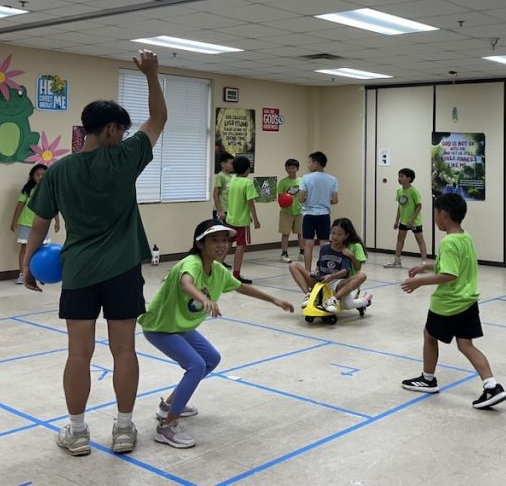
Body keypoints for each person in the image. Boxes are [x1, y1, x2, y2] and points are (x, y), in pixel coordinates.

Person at [23, 50, 166, 456]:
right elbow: (158, 118)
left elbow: (39, 224)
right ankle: (123, 429)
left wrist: (27, 265)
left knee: (78, 354)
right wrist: (151, 74)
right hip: (122, 271)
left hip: (79, 272)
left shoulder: (58, 170)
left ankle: (76, 431)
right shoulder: (124, 158)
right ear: (109, 129)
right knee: (124, 350)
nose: (122, 136)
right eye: (121, 130)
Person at [139, 220, 294, 448]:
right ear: (200, 244)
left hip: (180, 327)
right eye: (214, 240)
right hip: (160, 328)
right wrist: (204, 299)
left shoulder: (219, 270)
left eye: (224, 240)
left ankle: (168, 406)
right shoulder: (191, 263)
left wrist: (274, 299)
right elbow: (186, 283)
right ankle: (166, 427)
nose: (222, 245)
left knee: (211, 359)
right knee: (196, 366)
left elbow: (241, 287)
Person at [400, 193, 506, 409]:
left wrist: (419, 282)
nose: (434, 218)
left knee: (429, 335)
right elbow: (453, 264)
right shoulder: (465, 237)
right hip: (468, 300)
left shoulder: (448, 242)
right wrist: (426, 266)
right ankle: (492, 386)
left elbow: (449, 274)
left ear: (444, 214)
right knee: (466, 345)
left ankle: (427, 379)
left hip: (448, 303)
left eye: (435, 213)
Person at [291, 217, 371, 312]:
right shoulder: (326, 247)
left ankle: (361, 300)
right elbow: (320, 265)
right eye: (333, 233)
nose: (335, 237)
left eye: (339, 234)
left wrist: (351, 255)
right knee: (293, 265)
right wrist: (316, 274)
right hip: (323, 280)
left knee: (346, 303)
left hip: (346, 283)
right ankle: (308, 295)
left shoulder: (351, 248)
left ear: (346, 235)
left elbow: (357, 268)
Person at [10, 164, 60, 284]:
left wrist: (57, 221)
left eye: (43, 174)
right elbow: (20, 205)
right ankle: (22, 274)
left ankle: (40, 274)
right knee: (25, 248)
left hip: (42, 224)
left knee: (41, 249)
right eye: (37, 174)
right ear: (32, 176)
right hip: (26, 224)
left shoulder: (50, 189)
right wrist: (14, 220)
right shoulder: (27, 190)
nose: (40, 177)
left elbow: (53, 206)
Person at [298, 151, 338, 273]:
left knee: (308, 244)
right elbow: (335, 200)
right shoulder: (332, 179)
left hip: (309, 215)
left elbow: (300, 198)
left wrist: (308, 199)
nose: (308, 165)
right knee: (324, 244)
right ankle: (322, 270)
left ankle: (307, 272)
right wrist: (324, 200)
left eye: (309, 162)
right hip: (324, 215)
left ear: (316, 163)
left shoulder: (306, 178)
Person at [385, 167, 427, 268]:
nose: (399, 178)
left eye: (402, 176)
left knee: (420, 240)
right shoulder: (399, 191)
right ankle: (397, 260)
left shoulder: (413, 191)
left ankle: (424, 263)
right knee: (400, 239)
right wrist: (396, 220)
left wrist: (412, 219)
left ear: (409, 178)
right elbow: (399, 207)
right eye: (399, 176)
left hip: (415, 222)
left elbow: (419, 206)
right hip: (403, 221)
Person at [226, 156, 260, 284]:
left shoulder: (233, 179)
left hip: (230, 219)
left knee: (227, 245)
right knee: (240, 246)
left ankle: (214, 270)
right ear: (247, 169)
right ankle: (236, 274)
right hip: (241, 222)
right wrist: (256, 220)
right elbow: (250, 203)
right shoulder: (247, 183)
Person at [277, 158, 304, 263]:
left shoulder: (302, 181)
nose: (291, 170)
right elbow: (280, 197)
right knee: (285, 233)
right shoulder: (283, 182)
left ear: (297, 169)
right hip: (286, 212)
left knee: (301, 233)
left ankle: (302, 253)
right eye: (288, 168)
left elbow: (304, 195)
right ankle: (284, 254)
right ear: (286, 169)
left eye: (293, 168)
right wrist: (283, 203)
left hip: (299, 211)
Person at [212, 152, 234, 221]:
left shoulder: (231, 177)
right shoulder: (220, 175)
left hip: (229, 210)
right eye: (231, 164)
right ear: (222, 164)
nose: (232, 166)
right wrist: (220, 211)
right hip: (222, 211)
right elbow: (215, 194)